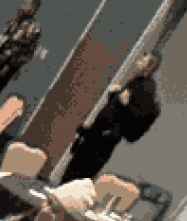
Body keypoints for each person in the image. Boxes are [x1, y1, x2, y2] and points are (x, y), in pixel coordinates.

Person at [60, 50, 160, 183]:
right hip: (95, 136)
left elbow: (136, 116)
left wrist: (125, 104)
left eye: (143, 59)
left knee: (77, 178)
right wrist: (114, 95)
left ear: (150, 65)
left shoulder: (147, 88)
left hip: (103, 141)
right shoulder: (136, 81)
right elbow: (117, 109)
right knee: (71, 172)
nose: (138, 61)